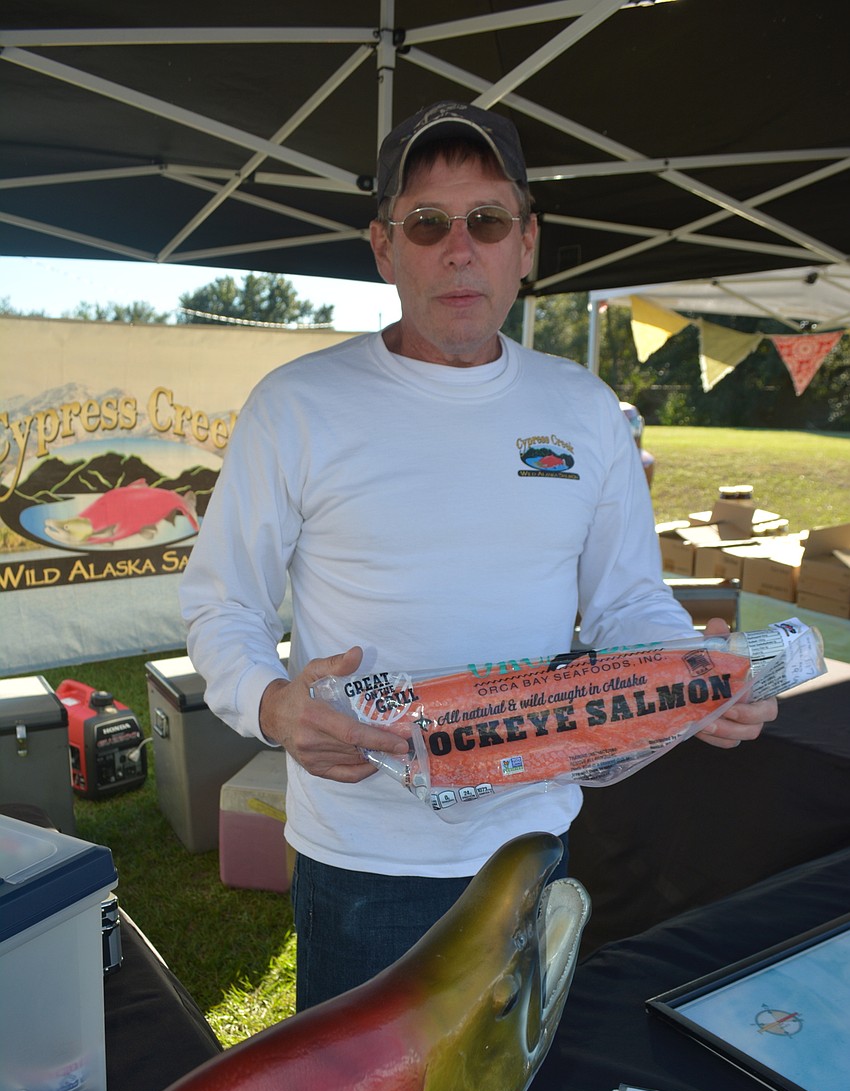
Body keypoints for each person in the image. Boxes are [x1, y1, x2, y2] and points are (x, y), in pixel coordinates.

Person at [179, 101, 777, 1010]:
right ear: (384, 247)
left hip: (532, 843)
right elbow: (222, 606)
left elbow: (626, 605)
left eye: (487, 221)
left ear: (526, 243)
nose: (460, 249)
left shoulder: (584, 409)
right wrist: (272, 706)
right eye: (428, 223)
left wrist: (694, 675)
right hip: (365, 859)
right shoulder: (297, 405)